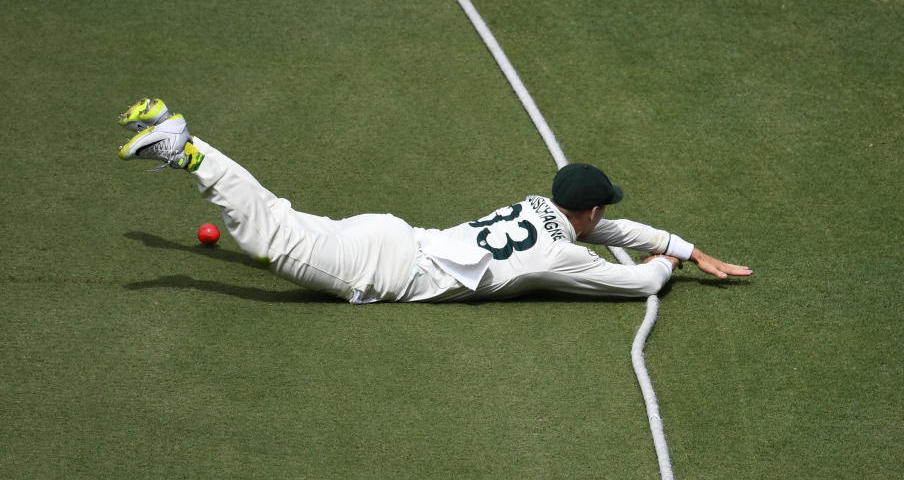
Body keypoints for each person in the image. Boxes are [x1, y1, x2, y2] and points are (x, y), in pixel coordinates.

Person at [116, 98, 752, 304]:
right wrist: (671, 263)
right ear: (584, 214)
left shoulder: (541, 205)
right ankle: (185, 149)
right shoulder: (564, 259)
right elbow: (639, 282)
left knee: (279, 220)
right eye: (602, 209)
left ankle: (182, 137)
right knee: (270, 238)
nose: (606, 217)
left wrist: (684, 245)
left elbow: (609, 233)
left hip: (392, 235)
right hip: (387, 268)